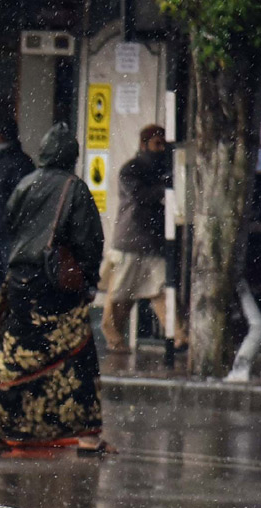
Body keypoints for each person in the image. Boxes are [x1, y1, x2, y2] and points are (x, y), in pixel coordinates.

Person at [0, 122, 110, 453]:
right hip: (57, 286)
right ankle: (87, 435)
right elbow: (90, 242)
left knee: (15, 354)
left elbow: (9, 226)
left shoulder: (25, 184)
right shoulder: (76, 189)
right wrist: (88, 279)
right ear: (71, 156)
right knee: (78, 355)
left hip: (20, 282)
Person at [100, 124, 185, 354]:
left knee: (161, 290)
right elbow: (139, 195)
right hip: (132, 239)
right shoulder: (131, 170)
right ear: (143, 144)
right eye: (156, 144)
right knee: (120, 295)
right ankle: (114, 338)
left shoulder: (165, 169)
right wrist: (163, 189)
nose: (160, 149)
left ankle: (179, 335)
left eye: (163, 145)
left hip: (154, 241)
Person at [0, 114, 35, 394]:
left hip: (5, 234)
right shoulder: (8, 162)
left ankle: (3, 331)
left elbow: (14, 202)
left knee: (3, 284)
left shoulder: (15, 163)